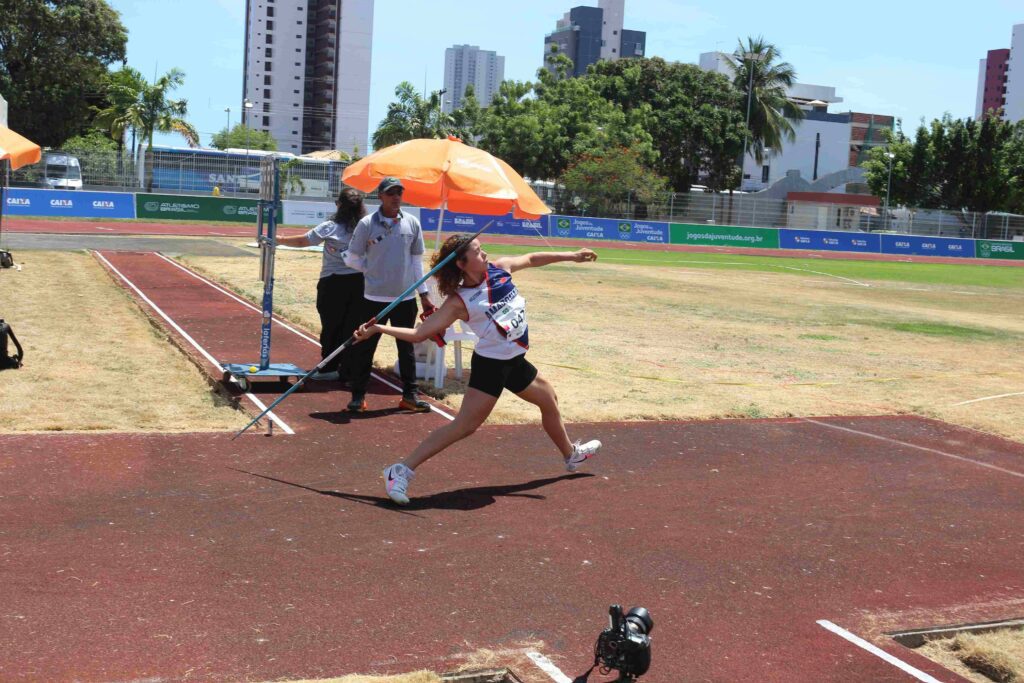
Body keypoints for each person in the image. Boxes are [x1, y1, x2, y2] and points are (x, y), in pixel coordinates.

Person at [353, 233, 602, 505]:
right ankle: (400, 470)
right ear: (461, 263)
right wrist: (377, 328)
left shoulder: (500, 269)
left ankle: (571, 455)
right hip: (491, 366)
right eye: (477, 251)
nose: (484, 254)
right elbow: (419, 333)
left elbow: (531, 258)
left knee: (549, 400)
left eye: (482, 249)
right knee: (464, 426)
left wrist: (572, 255)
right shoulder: (460, 302)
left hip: (515, 360)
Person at [344, 177, 435, 413]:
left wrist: (423, 293)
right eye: (391, 193)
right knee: (364, 348)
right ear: (381, 196)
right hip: (373, 298)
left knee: (407, 349)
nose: (396, 197)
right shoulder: (366, 224)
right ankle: (358, 396)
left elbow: (417, 261)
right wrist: (371, 269)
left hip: (405, 299)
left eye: (399, 193)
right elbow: (352, 258)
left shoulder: (412, 223)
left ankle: (410, 395)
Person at [275, 187, 366, 382]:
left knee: (332, 325)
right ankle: (349, 368)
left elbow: (303, 241)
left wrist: (279, 239)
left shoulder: (330, 226)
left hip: (333, 283)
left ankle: (329, 367)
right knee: (353, 326)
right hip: (360, 283)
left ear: (339, 205)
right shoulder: (365, 226)